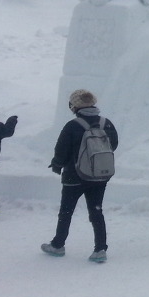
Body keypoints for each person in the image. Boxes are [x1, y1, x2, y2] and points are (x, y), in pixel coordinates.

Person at [41, 89, 119, 262]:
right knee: (96, 211)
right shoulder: (106, 123)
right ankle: (100, 249)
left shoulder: (72, 126)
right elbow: (113, 145)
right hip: (99, 176)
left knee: (66, 212)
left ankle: (58, 245)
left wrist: (57, 165)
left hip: (73, 176)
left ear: (74, 106)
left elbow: (61, 151)